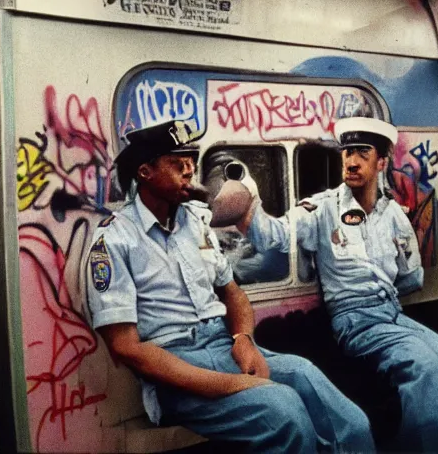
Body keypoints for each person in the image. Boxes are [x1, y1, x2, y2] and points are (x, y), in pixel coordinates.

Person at [86, 120, 374, 452]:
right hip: (176, 368)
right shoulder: (115, 239)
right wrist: (229, 383)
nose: (189, 170)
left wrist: (244, 339)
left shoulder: (195, 221)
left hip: (224, 347)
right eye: (177, 162)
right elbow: (128, 349)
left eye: (191, 160)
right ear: (145, 172)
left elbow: (231, 291)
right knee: (283, 412)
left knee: (337, 408)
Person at [229, 116, 438, 453]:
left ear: (381, 162)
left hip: (391, 313)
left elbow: (411, 277)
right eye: (347, 152)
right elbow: (271, 235)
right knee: (424, 366)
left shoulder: (392, 214)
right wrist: (249, 201)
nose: (351, 161)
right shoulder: (323, 209)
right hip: (355, 319)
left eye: (362, 153)